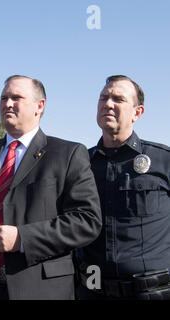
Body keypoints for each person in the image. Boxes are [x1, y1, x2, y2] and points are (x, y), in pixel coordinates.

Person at [0, 75, 102, 300]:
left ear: (40, 106)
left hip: (37, 287)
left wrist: (23, 238)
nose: (7, 104)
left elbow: (87, 220)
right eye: (3, 98)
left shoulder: (67, 154)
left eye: (16, 97)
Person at [76, 75, 170, 300]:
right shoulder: (79, 164)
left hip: (152, 293)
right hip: (92, 290)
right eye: (103, 98)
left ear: (137, 112)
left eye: (118, 99)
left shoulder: (163, 161)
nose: (108, 104)